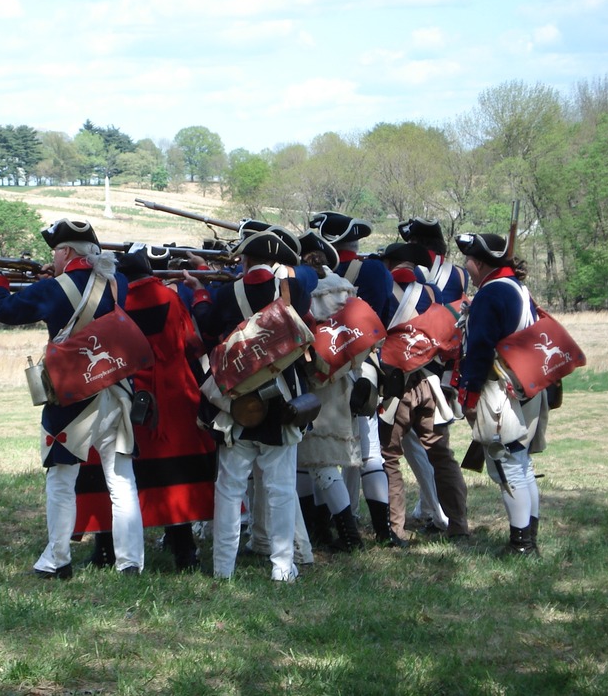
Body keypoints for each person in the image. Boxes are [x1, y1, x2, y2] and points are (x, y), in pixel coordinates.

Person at [0, 218, 145, 578]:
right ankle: (130, 562)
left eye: (56, 252)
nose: (52, 258)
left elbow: (3, 311)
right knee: (121, 479)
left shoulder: (55, 288)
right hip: (116, 392)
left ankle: (57, 559)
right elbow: (83, 294)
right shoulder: (118, 283)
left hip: (72, 397)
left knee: (61, 479)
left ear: (66, 252)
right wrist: (51, 278)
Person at [186, 230, 317, 582]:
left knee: (229, 489)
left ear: (245, 259)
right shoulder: (293, 290)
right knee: (281, 489)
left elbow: (207, 324)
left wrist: (200, 290)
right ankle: (282, 567)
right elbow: (309, 278)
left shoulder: (228, 293)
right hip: (283, 402)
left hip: (237, 402)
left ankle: (223, 568)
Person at [75, 248, 216, 572]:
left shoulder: (114, 301)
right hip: (171, 400)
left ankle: (106, 550)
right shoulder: (169, 297)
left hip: (127, 398)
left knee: (113, 476)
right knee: (175, 475)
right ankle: (184, 551)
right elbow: (191, 344)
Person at [307, 212, 396, 547]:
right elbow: (379, 318)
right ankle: (383, 532)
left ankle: (329, 528)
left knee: (319, 453)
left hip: (322, 373)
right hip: (362, 366)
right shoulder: (371, 270)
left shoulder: (304, 280)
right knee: (369, 450)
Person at [455, 233, 547, 556]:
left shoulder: (492, 294)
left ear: (479, 262)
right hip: (524, 385)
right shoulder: (517, 288)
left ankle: (521, 545)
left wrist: (468, 397)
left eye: (468, 259)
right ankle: (529, 539)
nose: (465, 264)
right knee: (521, 466)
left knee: (509, 467)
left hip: (499, 389)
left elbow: (479, 351)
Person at [378, 242, 469, 542]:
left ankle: (396, 529)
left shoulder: (382, 289)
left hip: (394, 387)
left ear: (391, 263)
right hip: (429, 383)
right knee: (441, 456)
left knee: (389, 457)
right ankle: (458, 525)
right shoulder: (431, 292)